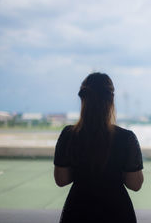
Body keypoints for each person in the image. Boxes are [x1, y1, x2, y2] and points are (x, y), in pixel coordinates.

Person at [53, 72, 144, 223]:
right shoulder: (126, 137)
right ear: (111, 100)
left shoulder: (68, 135)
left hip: (78, 211)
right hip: (117, 211)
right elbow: (135, 184)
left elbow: (61, 180)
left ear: (83, 99)